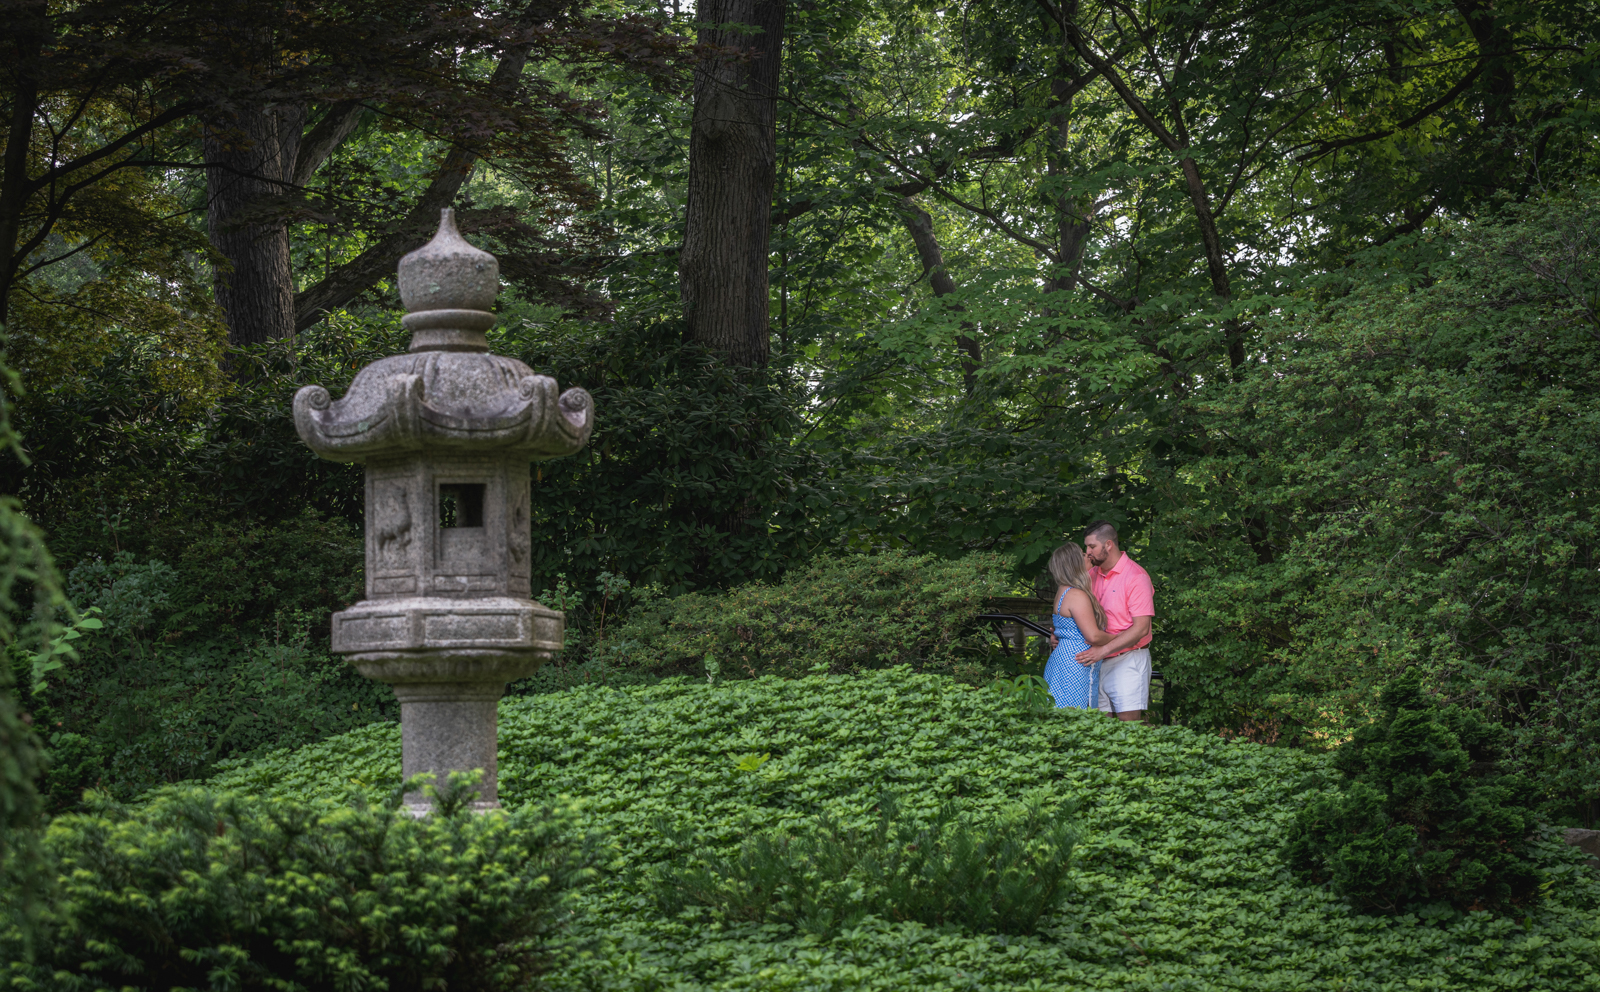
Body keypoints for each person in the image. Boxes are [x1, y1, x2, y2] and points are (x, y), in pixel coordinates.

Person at [1074, 520, 1155, 722]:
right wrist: (1060, 635)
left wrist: (1102, 650)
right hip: (1096, 662)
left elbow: (1141, 629)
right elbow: (1073, 610)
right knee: (1100, 729)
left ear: (1108, 544)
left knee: (1129, 731)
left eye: (1092, 546)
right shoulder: (1090, 575)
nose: (1088, 552)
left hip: (1128, 660)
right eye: (1087, 546)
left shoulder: (1136, 577)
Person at [1041, 543, 1115, 709]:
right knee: (1077, 717)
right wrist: (1121, 637)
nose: (1087, 555)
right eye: (1082, 554)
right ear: (1075, 563)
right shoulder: (1076, 595)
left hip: (1063, 660)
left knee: (1060, 714)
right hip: (1076, 664)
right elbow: (1093, 636)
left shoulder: (1063, 590)